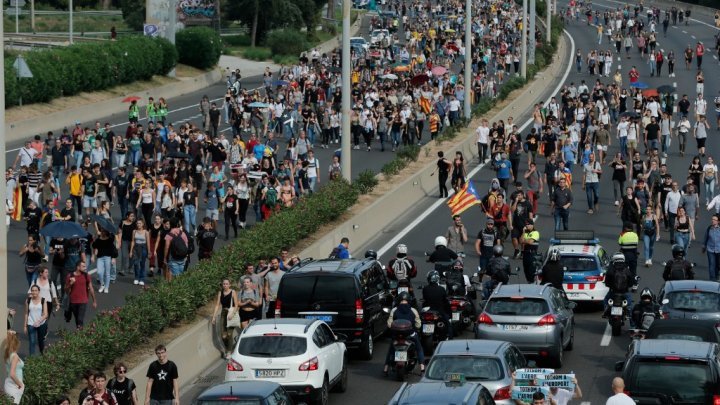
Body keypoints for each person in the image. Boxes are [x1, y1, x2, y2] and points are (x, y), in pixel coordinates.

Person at [382, 292, 424, 376]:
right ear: (408, 300)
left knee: (391, 349)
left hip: (397, 336)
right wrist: (414, 328)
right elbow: (418, 325)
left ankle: (386, 368)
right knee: (419, 348)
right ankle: (422, 368)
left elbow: (389, 324)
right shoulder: (413, 310)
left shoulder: (394, 310)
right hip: (410, 335)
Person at [211, 279, 240, 358]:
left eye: (227, 284)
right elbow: (217, 305)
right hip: (224, 313)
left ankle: (229, 352)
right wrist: (214, 317)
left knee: (229, 334)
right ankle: (228, 348)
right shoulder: (220, 293)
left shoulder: (233, 292)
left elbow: (236, 305)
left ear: (229, 285)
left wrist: (232, 313)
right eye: (224, 284)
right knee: (223, 336)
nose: (225, 285)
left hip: (231, 312)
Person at [65, 261, 97, 329]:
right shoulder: (70, 276)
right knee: (77, 319)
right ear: (78, 267)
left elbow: (91, 288)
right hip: (73, 302)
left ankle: (80, 335)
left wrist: (94, 301)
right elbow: (66, 290)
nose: (85, 268)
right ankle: (79, 334)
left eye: (85, 266)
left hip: (83, 301)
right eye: (83, 266)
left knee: (80, 319)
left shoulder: (86, 275)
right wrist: (71, 283)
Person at [421, 270, 453, 338]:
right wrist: (450, 314)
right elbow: (445, 302)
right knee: (448, 325)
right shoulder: (441, 289)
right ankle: (449, 337)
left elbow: (425, 299)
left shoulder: (425, 289)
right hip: (439, 311)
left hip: (428, 311)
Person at [24, 284, 48, 355]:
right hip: (31, 323)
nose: (34, 292)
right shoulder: (28, 301)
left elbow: (46, 314)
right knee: (32, 341)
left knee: (41, 341)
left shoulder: (43, 300)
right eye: (32, 291)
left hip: (41, 324)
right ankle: (32, 361)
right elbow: (26, 313)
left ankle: (43, 355)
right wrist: (25, 326)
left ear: (39, 291)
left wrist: (39, 321)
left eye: (36, 290)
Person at [618, 222, 639, 290]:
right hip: (633, 255)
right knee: (633, 271)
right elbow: (636, 243)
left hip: (625, 256)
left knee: (624, 270)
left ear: (625, 228)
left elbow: (619, 242)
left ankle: (625, 284)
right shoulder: (635, 235)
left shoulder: (622, 234)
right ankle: (635, 284)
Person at [4, 332, 24, 404]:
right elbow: (12, 374)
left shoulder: (7, 353)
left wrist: (12, 334)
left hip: (8, 383)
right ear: (17, 343)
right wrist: (20, 384)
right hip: (14, 385)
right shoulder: (15, 356)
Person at [703, 214, 720, 281]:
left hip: (719, 250)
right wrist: (703, 246)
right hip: (710, 250)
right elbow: (706, 238)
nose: (712, 221)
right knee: (711, 265)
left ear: (718, 221)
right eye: (712, 219)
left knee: (717, 266)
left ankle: (716, 276)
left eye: (714, 220)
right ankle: (712, 280)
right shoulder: (709, 228)